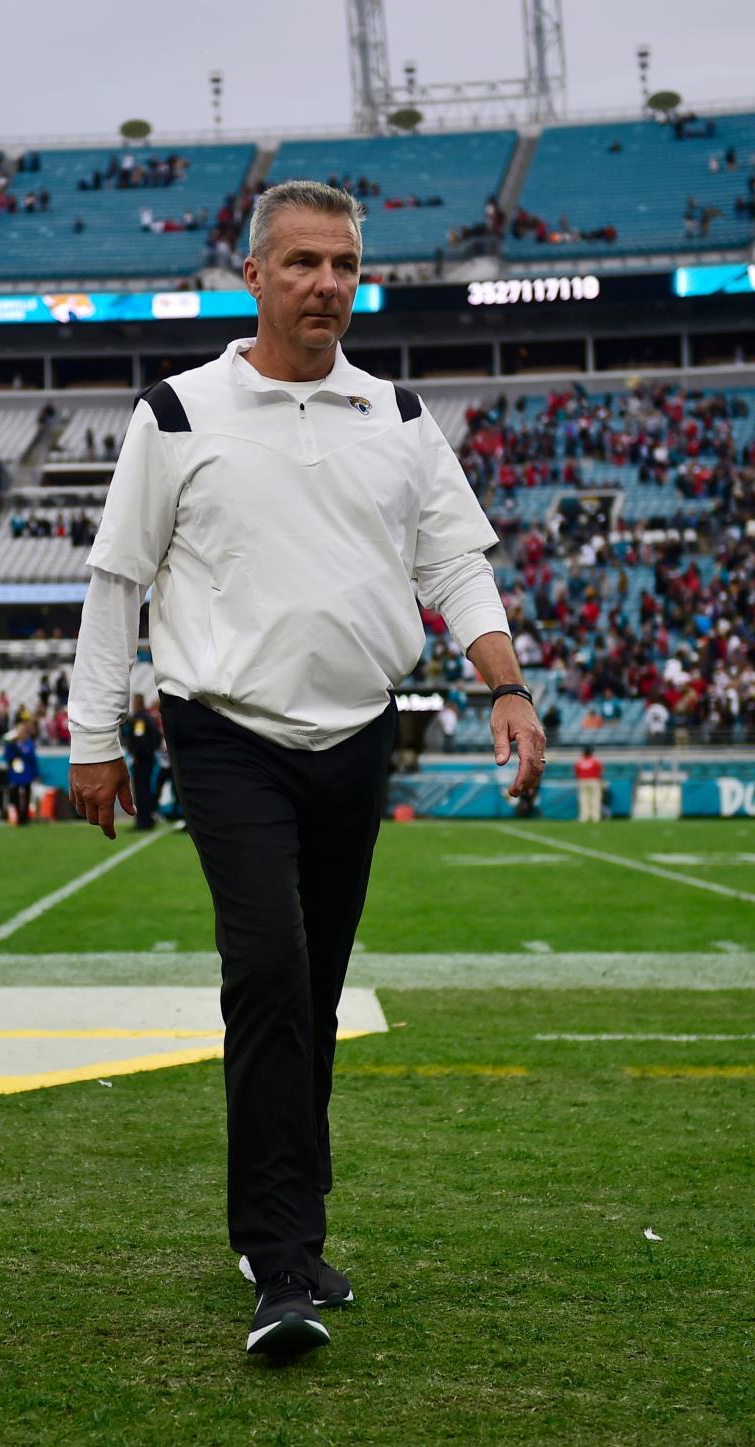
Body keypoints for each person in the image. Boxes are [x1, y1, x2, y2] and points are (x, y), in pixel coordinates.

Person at [67, 180, 545, 1358]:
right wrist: (95, 735)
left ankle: (283, 1221)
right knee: (269, 967)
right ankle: (280, 1260)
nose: (327, 285)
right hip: (224, 730)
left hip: (355, 734)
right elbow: (117, 582)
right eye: (302, 264)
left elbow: (457, 565)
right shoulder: (177, 413)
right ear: (255, 275)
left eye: (343, 265)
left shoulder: (398, 412)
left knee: (313, 990)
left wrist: (508, 683)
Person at [119, 693, 161, 830]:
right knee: (146, 790)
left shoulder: (139, 720)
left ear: (137, 703)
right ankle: (148, 820)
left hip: (142, 760)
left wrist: (137, 754)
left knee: (141, 791)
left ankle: (143, 822)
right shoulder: (148, 717)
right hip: (148, 759)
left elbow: (139, 738)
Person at [4, 718, 39, 825]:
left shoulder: (29, 744)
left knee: (27, 796)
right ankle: (18, 816)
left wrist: (36, 773)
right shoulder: (11, 744)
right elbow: (8, 757)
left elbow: (32, 759)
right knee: (14, 796)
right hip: (15, 774)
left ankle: (25, 817)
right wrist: (11, 745)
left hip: (27, 774)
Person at [575, 744, 603, 822]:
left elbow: (577, 772)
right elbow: (599, 772)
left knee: (583, 800)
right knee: (595, 799)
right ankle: (595, 818)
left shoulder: (579, 761)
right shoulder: (595, 761)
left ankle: (584, 817)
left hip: (582, 781)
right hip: (594, 781)